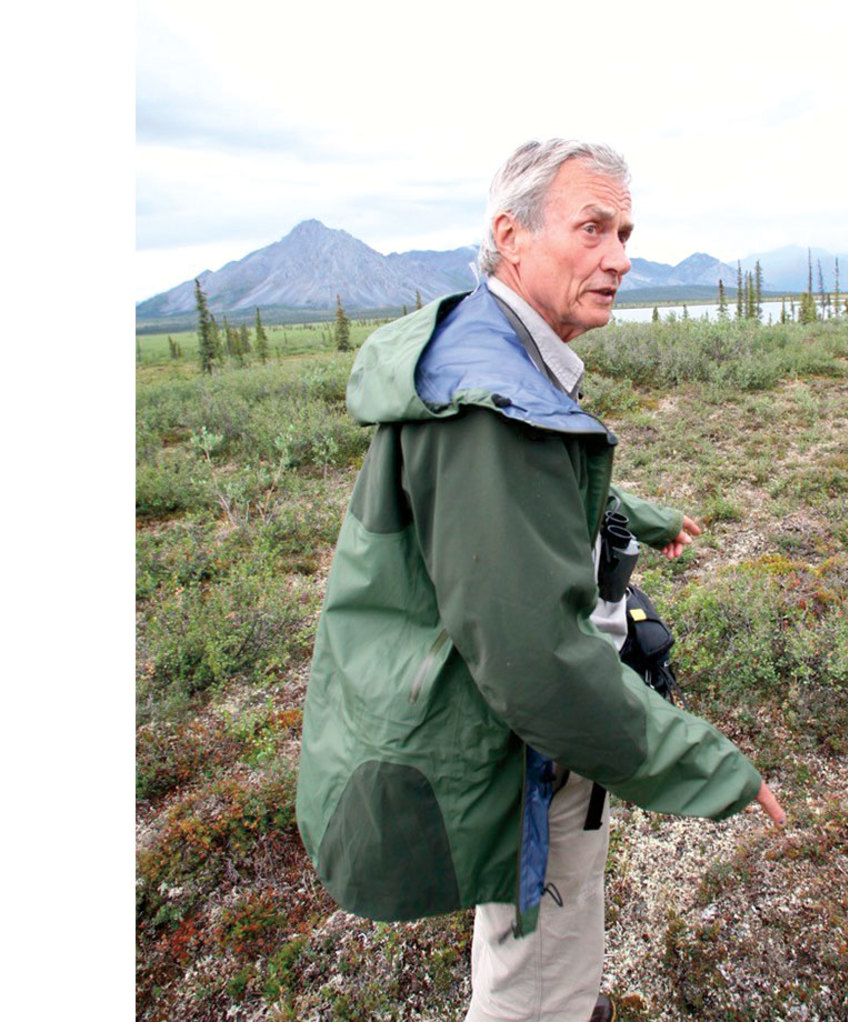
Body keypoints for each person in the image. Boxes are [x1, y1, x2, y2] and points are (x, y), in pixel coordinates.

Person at [296, 139, 785, 1022]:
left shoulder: (480, 350)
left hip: (479, 714)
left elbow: (507, 511)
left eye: (627, 232)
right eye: (592, 227)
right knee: (540, 972)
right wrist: (708, 765)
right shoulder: (496, 406)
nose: (621, 258)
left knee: (528, 942)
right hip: (519, 740)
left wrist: (630, 513)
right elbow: (537, 666)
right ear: (509, 235)